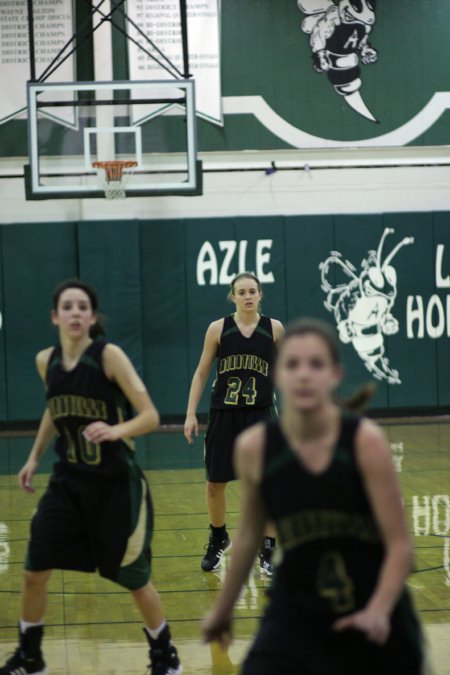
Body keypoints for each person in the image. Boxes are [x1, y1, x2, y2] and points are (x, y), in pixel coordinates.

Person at [202, 318, 428, 675]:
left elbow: (400, 546)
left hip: (371, 600)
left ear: (335, 374)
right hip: (298, 602)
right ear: (277, 374)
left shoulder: (364, 442)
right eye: (293, 364)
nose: (304, 374)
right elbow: (247, 535)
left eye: (316, 364)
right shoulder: (255, 447)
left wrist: (378, 611)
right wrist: (222, 608)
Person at [0, 280, 182, 675]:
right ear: (55, 316)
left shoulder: (108, 356)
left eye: (83, 306)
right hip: (67, 483)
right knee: (33, 570)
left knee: (135, 580)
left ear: (93, 316)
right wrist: (33, 457)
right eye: (68, 306)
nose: (76, 312)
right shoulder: (45, 361)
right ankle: (30, 658)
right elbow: (53, 409)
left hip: (115, 484)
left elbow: (150, 416)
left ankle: (165, 656)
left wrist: (116, 430)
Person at [184, 272, 284, 574]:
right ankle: (218, 538)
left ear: (260, 295)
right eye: (241, 292)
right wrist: (190, 413)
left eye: (253, 291)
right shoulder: (218, 329)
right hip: (224, 414)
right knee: (215, 484)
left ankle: (268, 548)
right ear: (233, 296)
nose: (248, 296)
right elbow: (201, 373)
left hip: (261, 415)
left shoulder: (275, 329)